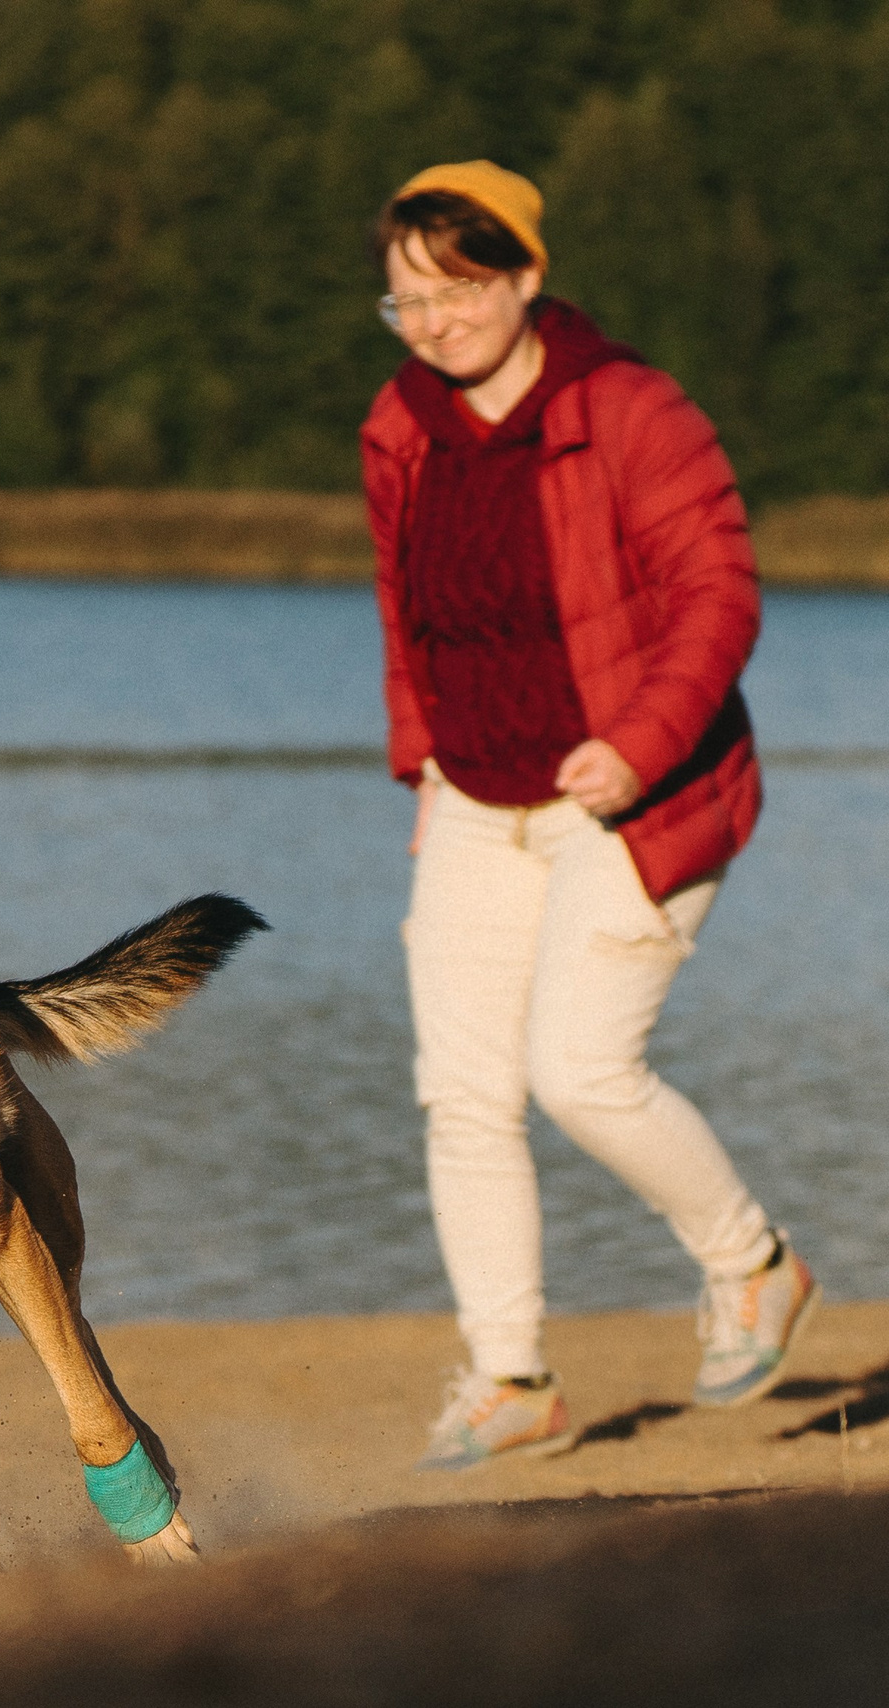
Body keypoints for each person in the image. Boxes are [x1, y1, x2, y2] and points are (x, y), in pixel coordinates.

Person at [360, 160, 820, 1471]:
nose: (434, 323)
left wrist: (636, 745)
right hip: (473, 796)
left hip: (640, 798)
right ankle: (511, 1380)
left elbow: (718, 596)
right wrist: (424, 770)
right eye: (406, 302)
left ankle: (755, 1269)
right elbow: (410, 617)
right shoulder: (396, 426)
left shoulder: (629, 409)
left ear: (522, 276)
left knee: (579, 1068)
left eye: (456, 291)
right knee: (462, 1094)